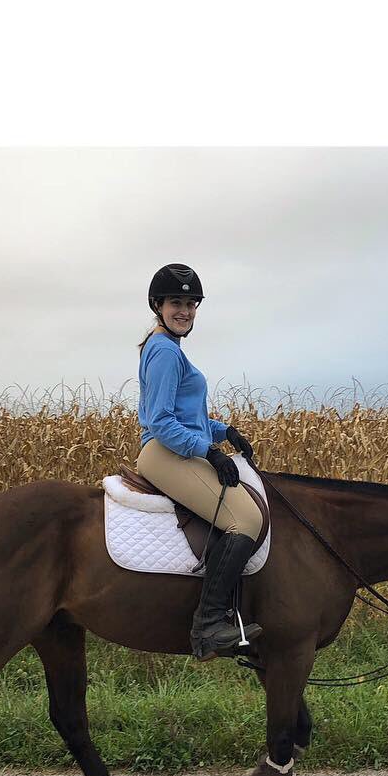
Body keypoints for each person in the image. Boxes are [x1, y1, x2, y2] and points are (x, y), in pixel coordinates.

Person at [135, 263, 264, 660]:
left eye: (191, 304)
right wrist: (207, 451)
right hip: (164, 452)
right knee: (246, 520)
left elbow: (188, 417)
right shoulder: (162, 350)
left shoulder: (170, 349)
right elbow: (161, 421)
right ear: (159, 305)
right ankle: (208, 625)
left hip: (177, 447)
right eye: (177, 302)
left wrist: (224, 433)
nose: (185, 311)